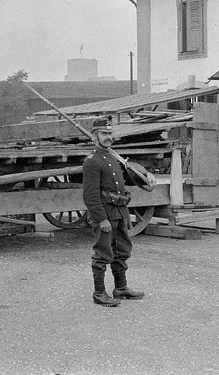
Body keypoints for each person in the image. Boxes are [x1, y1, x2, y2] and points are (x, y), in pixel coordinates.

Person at [82, 118, 147, 307]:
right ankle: (99, 293)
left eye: (110, 134)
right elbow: (90, 195)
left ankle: (120, 288)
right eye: (104, 134)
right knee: (103, 253)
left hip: (119, 212)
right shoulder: (92, 161)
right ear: (95, 136)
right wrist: (101, 218)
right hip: (105, 215)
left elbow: (121, 186)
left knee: (122, 251)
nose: (108, 137)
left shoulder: (112, 157)